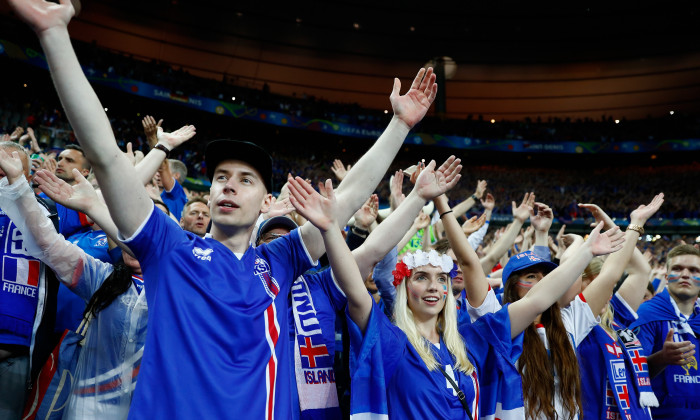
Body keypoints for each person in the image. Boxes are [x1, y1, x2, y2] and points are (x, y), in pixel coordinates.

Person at [9, 2, 440, 419]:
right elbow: (104, 155)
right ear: (211, 194)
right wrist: (54, 34)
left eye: (246, 179)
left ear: (263, 203)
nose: (230, 184)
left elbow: (343, 201)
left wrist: (399, 125)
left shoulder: (280, 260)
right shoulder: (168, 247)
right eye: (220, 177)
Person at [286, 167, 625, 419]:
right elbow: (356, 290)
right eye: (421, 277)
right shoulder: (388, 339)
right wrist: (331, 230)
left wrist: (586, 253)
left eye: (441, 279)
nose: (433, 286)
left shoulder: (470, 340)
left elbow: (538, 298)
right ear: (403, 286)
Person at [0, 148, 151, 419]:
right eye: (126, 230)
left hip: (147, 405)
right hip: (85, 403)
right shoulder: (102, 278)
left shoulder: (178, 292)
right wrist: (19, 185)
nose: (131, 237)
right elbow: (48, 243)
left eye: (142, 233)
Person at [575, 195, 664, 420]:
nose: (606, 289)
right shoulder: (572, 322)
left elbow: (641, 271)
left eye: (609, 286)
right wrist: (634, 226)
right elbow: (612, 274)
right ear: (577, 283)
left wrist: (618, 226)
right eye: (596, 282)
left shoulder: (616, 317)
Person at [0, 141, 56, 419]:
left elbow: (101, 209)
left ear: (28, 177)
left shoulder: (50, 213)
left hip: (20, 347)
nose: (4, 172)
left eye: (11, 168)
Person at [630, 243, 699, 419]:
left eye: (694, 270)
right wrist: (662, 359)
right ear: (667, 277)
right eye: (677, 269)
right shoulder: (646, 314)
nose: (685, 275)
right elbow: (628, 371)